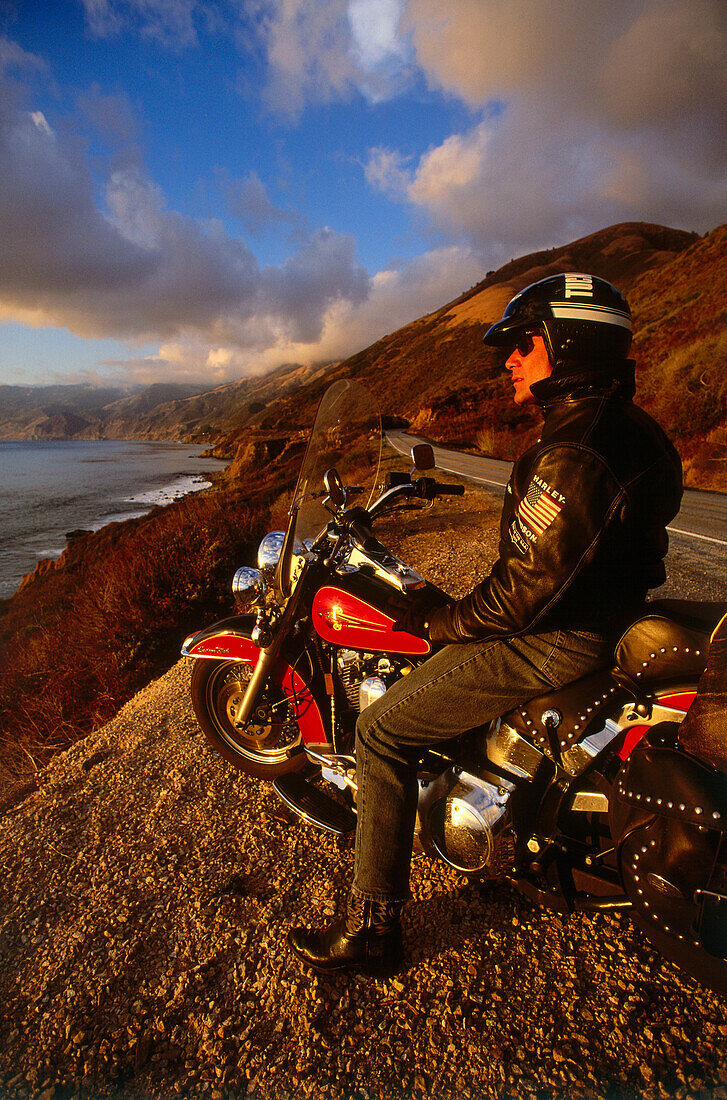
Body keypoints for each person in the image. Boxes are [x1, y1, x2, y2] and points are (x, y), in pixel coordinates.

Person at [289, 272, 684, 975]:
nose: (507, 360)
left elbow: (524, 595)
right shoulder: (628, 425)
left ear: (567, 345)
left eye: (521, 344)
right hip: (607, 611)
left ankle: (373, 928)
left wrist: (442, 618)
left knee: (381, 731)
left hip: (557, 637)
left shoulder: (574, 448)